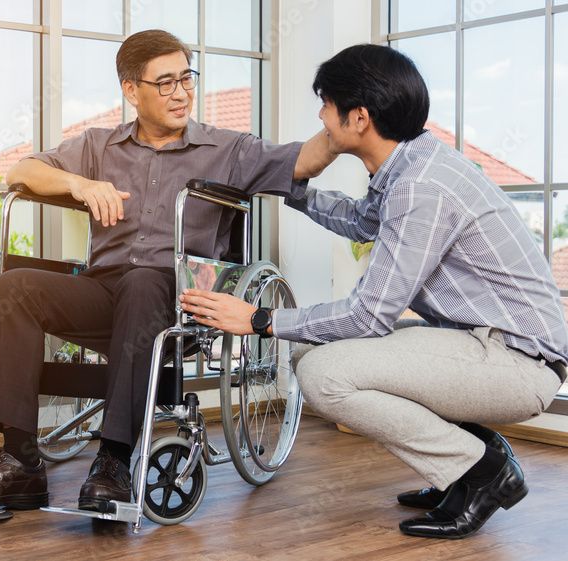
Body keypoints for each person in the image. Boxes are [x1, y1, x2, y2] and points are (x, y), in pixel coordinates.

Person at [0, 29, 335, 513]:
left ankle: (114, 461)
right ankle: (20, 463)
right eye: (165, 82)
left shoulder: (228, 149)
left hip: (178, 302)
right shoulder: (100, 146)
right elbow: (21, 172)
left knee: (145, 280)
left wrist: (349, 119)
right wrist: (79, 184)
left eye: (186, 78)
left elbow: (306, 160)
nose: (181, 92)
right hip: (105, 292)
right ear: (131, 90)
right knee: (15, 286)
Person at [179, 43, 568, 539]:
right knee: (317, 355)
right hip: (484, 345)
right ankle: (467, 463)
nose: (321, 116)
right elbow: (364, 222)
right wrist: (288, 187)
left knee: (324, 375)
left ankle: (480, 472)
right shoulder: (411, 164)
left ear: (359, 117)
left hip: (518, 364)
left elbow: (368, 317)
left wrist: (258, 319)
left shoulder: (420, 186)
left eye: (326, 104)